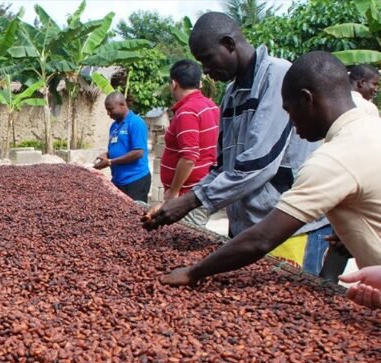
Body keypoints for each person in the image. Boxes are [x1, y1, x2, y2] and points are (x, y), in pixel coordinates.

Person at [159, 51, 381, 290]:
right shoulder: (369, 123)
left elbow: (261, 240)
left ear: (307, 99)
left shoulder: (331, 160)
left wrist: (193, 272)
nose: (291, 123)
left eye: (289, 110)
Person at [142, 12, 331, 275]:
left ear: (229, 44)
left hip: (288, 228)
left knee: (285, 303)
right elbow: (223, 166)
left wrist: (190, 201)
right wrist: (183, 200)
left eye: (208, 59)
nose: (206, 71)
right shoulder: (231, 93)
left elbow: (259, 163)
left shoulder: (278, 77)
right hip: (247, 227)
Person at [160, 60, 219, 227]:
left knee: (182, 241)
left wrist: (173, 192)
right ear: (199, 83)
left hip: (187, 196)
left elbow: (189, 157)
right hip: (201, 188)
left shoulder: (187, 111)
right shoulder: (210, 106)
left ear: (173, 84)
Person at [94, 92, 151, 202]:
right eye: (107, 109)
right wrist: (106, 155)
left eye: (111, 109)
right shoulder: (114, 126)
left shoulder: (136, 123)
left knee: (135, 215)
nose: (108, 113)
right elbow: (117, 147)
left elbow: (138, 152)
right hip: (118, 181)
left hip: (135, 180)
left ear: (122, 105)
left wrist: (110, 162)